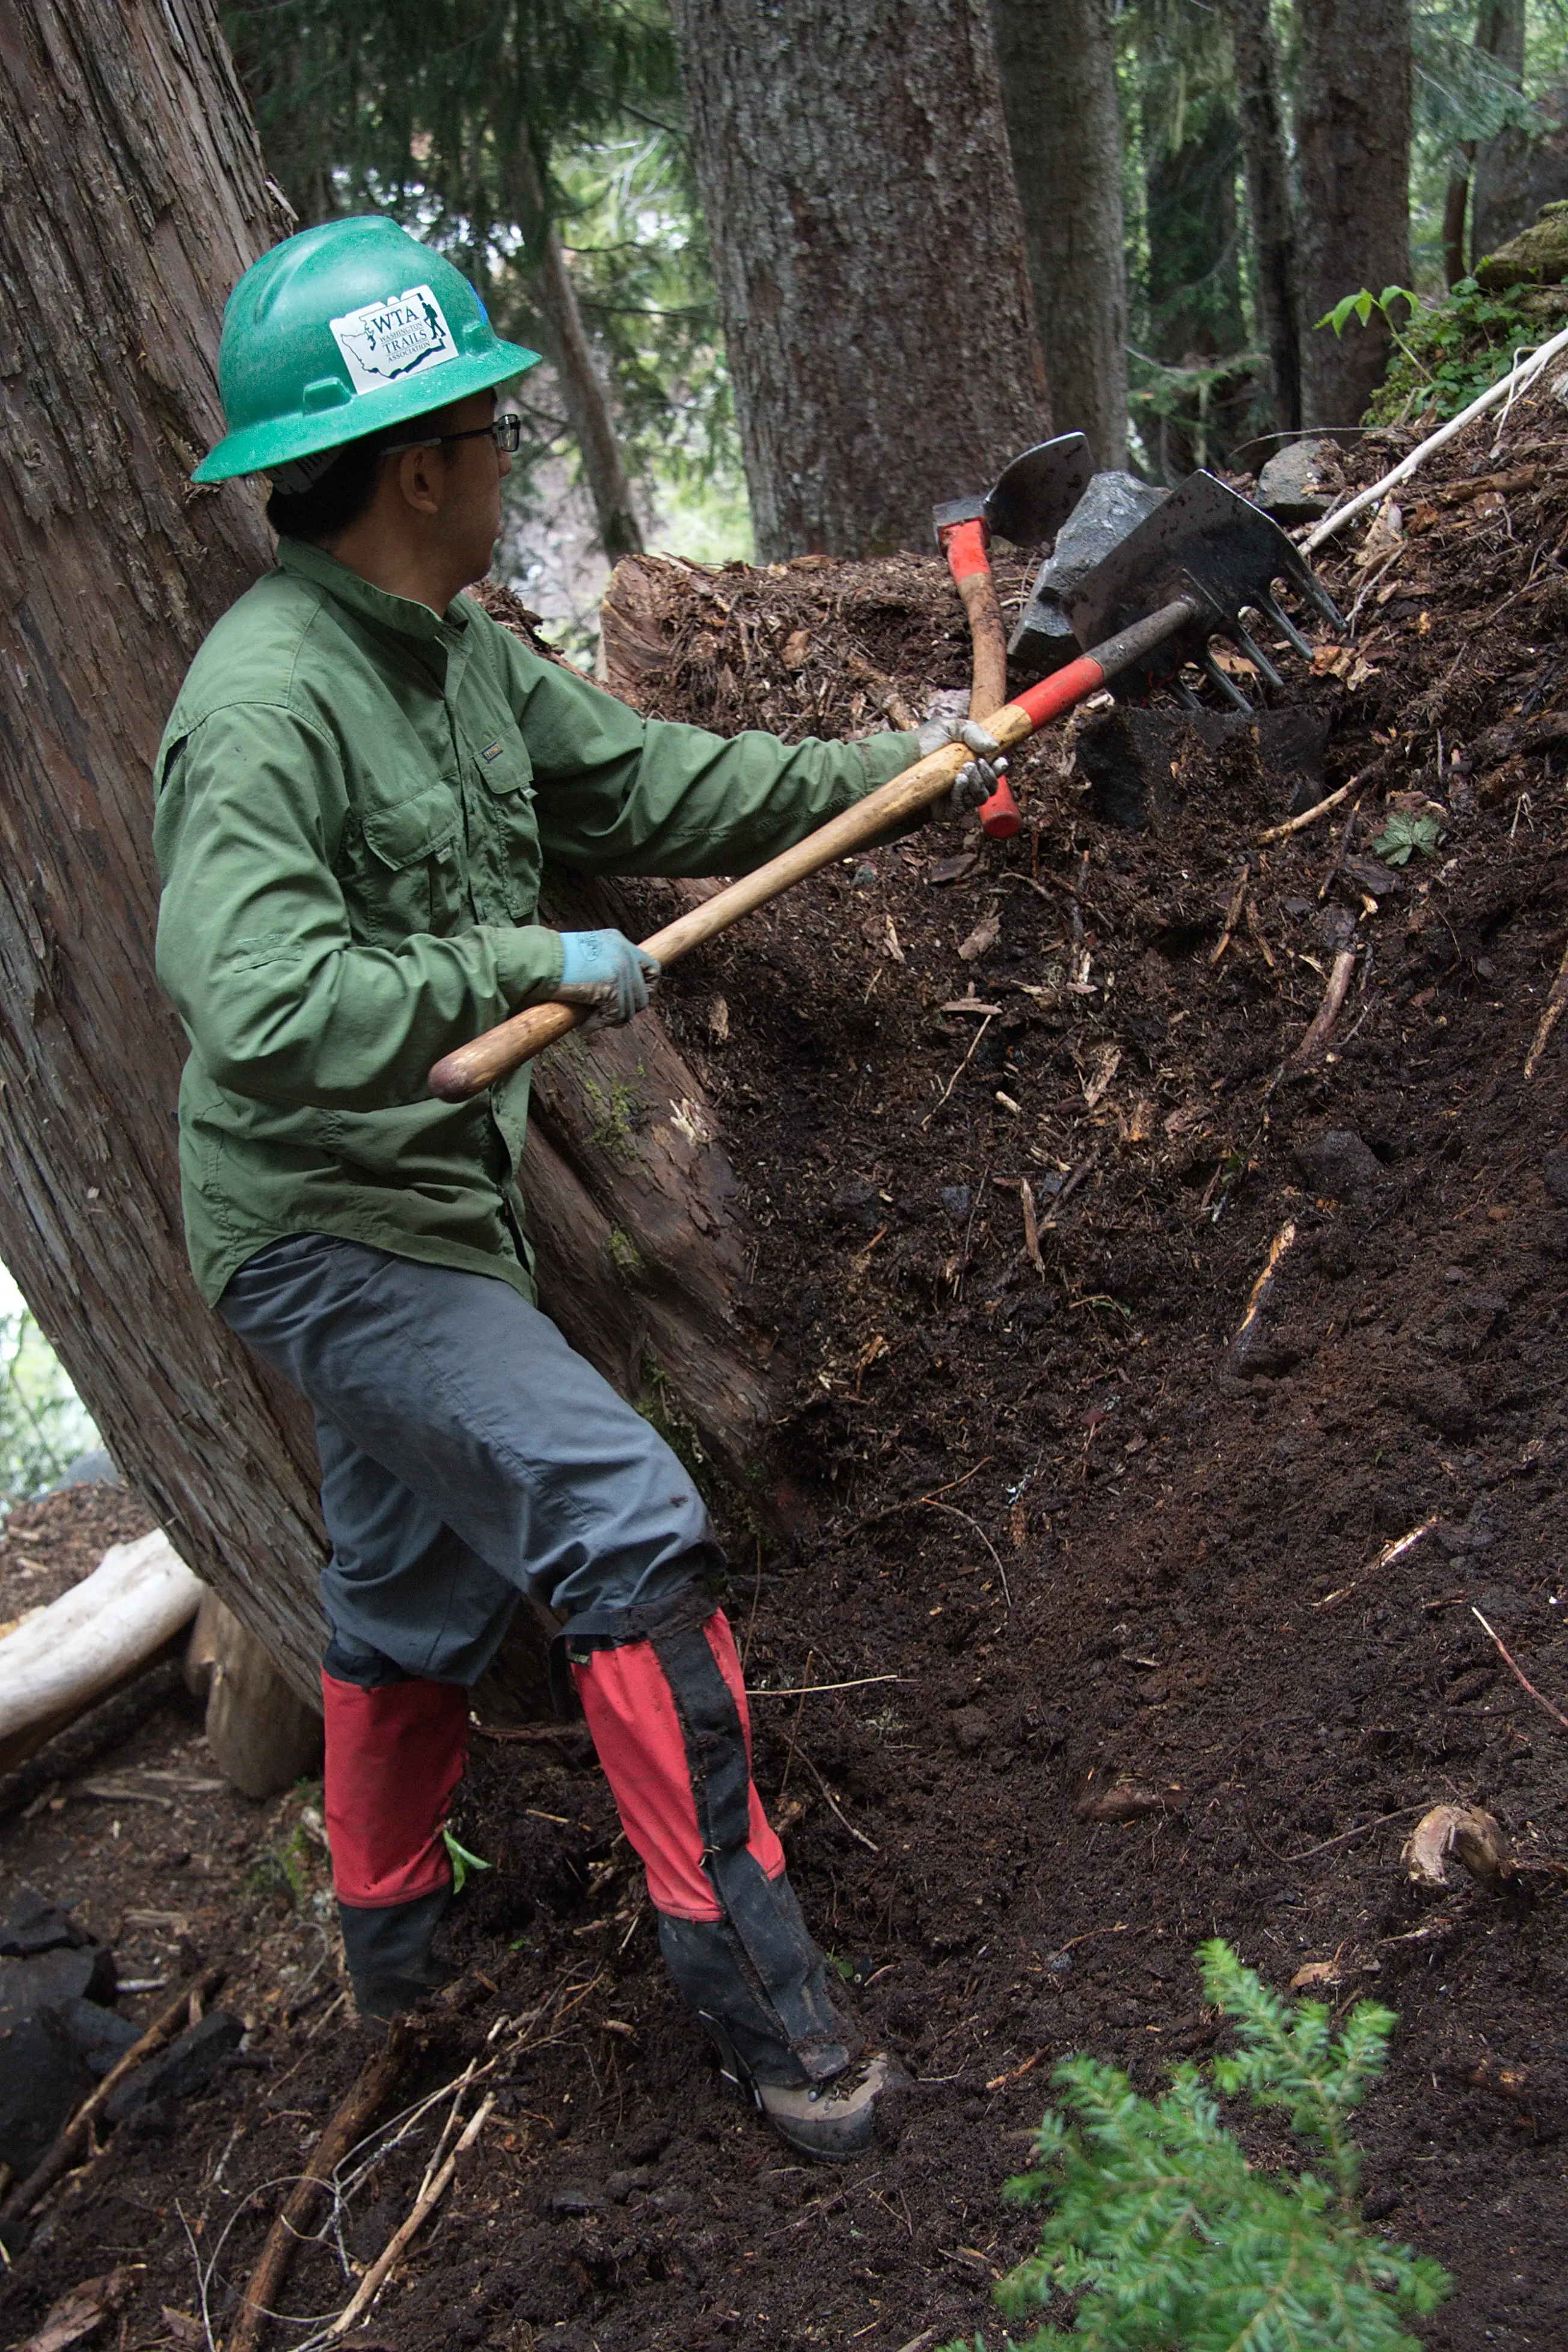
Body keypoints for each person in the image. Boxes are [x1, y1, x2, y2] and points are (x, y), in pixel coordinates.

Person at [153, 216, 1002, 2161]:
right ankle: (778, 2025)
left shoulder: (454, 660)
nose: (511, 456)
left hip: (433, 1214)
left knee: (408, 1581)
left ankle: (393, 1972)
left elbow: (653, 788)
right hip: (322, 1233)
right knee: (622, 1518)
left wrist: (913, 760)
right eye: (487, 428)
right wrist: (524, 967)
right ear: (418, 461)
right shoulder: (265, 705)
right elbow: (257, 997)